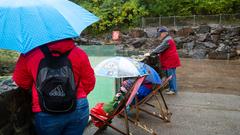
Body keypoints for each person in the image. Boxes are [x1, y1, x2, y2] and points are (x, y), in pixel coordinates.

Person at [13, 39, 96, 135]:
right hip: (78, 106)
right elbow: (90, 82)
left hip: (45, 108)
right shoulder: (79, 53)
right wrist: (74, 95)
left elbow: (21, 81)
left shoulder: (29, 54)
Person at [144, 26, 181, 95]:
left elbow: (160, 48)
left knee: (171, 75)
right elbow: (161, 48)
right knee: (169, 75)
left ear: (164, 33)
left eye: (160, 33)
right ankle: (171, 88)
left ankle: (173, 89)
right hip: (169, 60)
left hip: (170, 61)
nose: (159, 35)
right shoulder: (167, 39)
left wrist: (150, 53)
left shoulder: (167, 40)